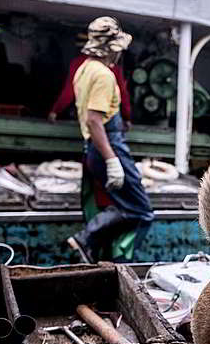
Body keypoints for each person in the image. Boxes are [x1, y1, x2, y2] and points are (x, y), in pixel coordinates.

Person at [65, 17, 154, 263]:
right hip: (108, 145)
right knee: (141, 210)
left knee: (122, 205)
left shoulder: (84, 68)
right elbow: (94, 120)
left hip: (92, 147)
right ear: (111, 49)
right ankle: (112, 257)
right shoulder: (104, 75)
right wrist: (112, 159)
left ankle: (91, 247)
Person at [48, 53, 131, 129]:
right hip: (108, 117)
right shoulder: (112, 67)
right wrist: (127, 117)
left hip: (87, 117)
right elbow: (122, 94)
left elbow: (69, 91)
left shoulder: (79, 63)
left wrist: (55, 111)